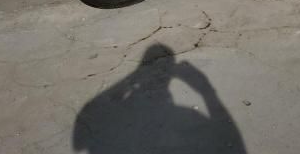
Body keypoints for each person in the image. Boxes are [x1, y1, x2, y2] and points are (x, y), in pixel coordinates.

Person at [73, 43, 246, 154]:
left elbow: (81, 136)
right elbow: (234, 144)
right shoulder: (189, 116)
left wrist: (133, 77)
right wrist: (207, 91)